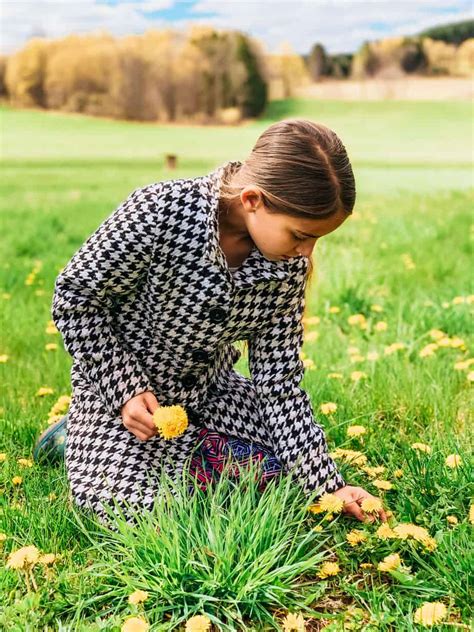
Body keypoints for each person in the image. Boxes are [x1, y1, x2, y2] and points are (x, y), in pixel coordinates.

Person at [34, 118, 387, 527]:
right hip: (121, 402)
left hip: (210, 394)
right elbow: (76, 298)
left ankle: (189, 453)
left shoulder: (286, 267)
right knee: (142, 516)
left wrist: (328, 487)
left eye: (315, 240)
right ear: (253, 199)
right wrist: (124, 389)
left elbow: (279, 385)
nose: (306, 252)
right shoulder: (159, 211)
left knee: (288, 481)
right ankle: (74, 436)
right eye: (299, 235)